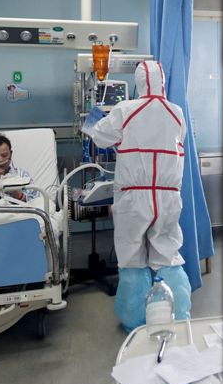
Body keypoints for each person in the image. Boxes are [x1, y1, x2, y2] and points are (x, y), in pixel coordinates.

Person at [82, 60, 192, 331]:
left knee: (132, 257)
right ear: (162, 82)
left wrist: (93, 118)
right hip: (167, 197)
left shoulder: (126, 109)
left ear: (139, 82)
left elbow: (100, 137)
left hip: (133, 198)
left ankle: (135, 321)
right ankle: (177, 316)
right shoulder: (177, 112)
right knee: (168, 255)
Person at [0, 132, 37, 201]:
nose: (0, 160)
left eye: (4, 155)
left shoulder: (22, 175)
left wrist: (18, 195)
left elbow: (35, 201)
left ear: (10, 155)